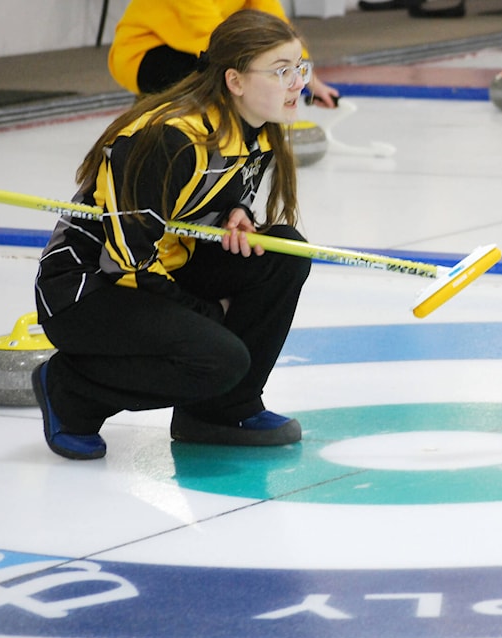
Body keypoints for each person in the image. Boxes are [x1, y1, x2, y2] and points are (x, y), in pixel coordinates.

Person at [32, 10, 313, 460]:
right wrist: (208, 315)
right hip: (89, 290)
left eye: (300, 68)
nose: (298, 82)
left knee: (284, 251)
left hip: (163, 266)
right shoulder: (171, 138)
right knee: (220, 357)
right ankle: (71, 390)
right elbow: (128, 264)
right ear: (235, 81)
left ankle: (220, 410)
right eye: (282, 72)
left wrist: (234, 213)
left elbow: (205, 200)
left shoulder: (256, 131)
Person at [108, 0, 339, 106]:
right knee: (237, 79)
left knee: (248, 75)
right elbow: (214, 34)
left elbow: (277, 26)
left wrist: (308, 80)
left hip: (200, 49)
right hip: (144, 52)